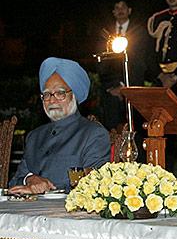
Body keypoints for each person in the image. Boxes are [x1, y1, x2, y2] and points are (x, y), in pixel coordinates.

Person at [8, 57, 110, 194]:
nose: (52, 99)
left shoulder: (93, 134)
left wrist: (48, 188)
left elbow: (96, 185)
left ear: (74, 96)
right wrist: (30, 179)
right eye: (47, 94)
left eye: (60, 93)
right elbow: (14, 182)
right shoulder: (34, 136)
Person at [96, 0, 150, 131]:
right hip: (111, 91)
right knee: (113, 130)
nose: (120, 10)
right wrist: (115, 87)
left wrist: (126, 87)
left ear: (129, 10)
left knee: (135, 129)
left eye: (123, 7)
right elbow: (102, 64)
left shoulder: (139, 33)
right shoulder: (105, 35)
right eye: (117, 7)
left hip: (133, 87)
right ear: (113, 12)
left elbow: (141, 61)